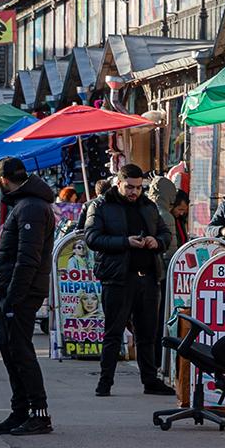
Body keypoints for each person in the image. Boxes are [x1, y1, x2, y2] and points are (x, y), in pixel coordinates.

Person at [84, 164, 174, 397]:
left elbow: (165, 232)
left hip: (148, 278)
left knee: (147, 333)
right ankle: (105, 382)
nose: (134, 192)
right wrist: (125, 242)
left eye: (138, 187)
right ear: (119, 183)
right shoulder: (102, 205)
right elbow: (92, 238)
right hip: (118, 278)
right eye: (130, 187)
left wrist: (158, 242)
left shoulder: (148, 206)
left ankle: (150, 380)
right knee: (113, 333)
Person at [0, 157, 56, 436]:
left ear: (3, 180)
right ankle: (20, 411)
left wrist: (13, 299)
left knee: (21, 351)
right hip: (14, 291)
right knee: (10, 349)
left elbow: (27, 258)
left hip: (21, 293)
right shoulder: (25, 205)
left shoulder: (30, 207)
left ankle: (39, 413)